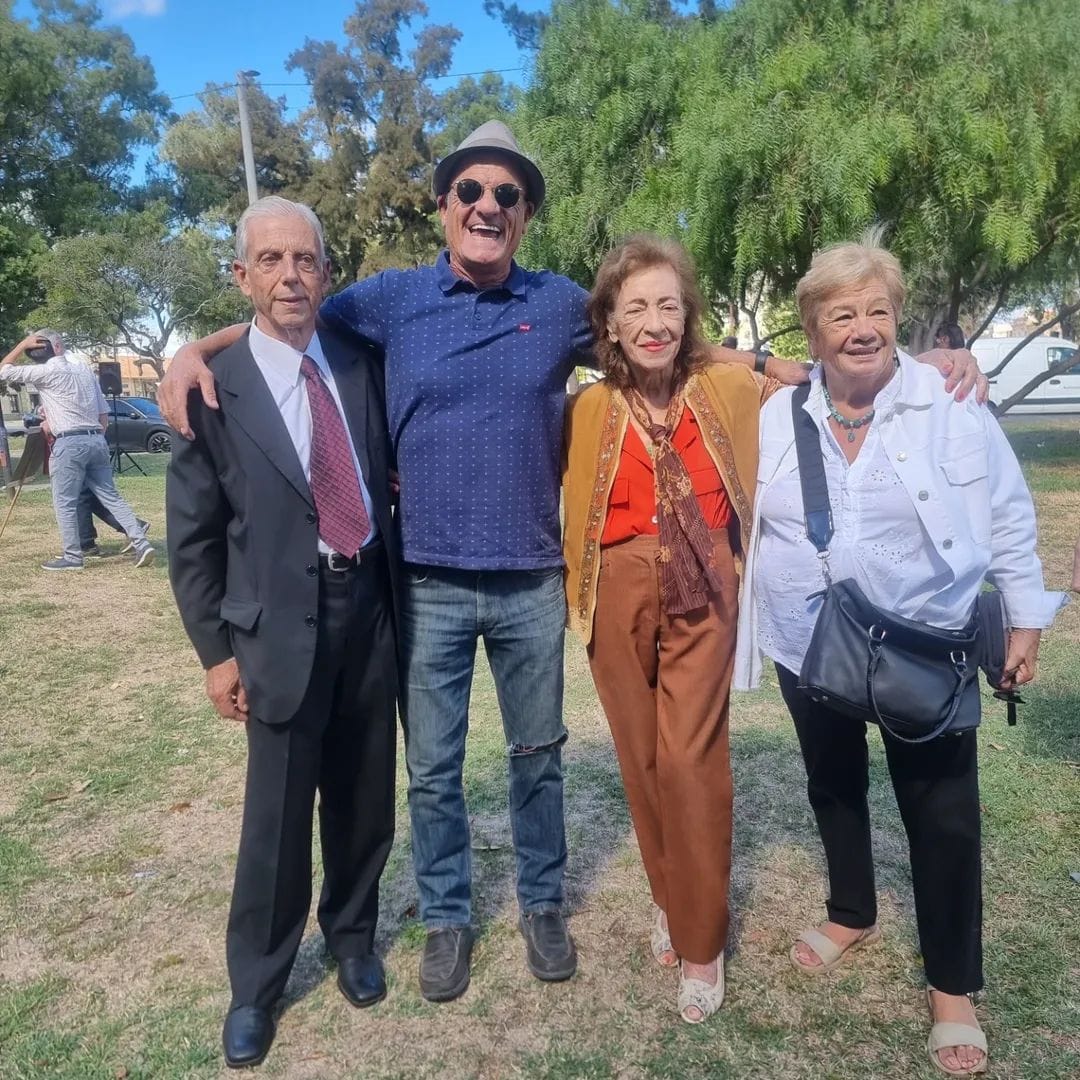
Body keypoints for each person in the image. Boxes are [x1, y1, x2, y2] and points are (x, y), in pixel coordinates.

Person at [158, 121, 984, 1003]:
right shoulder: (390, 300)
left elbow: (663, 336)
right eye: (471, 191)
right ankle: (447, 917)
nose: (487, 205)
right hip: (427, 582)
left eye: (506, 195)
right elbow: (287, 314)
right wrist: (190, 352)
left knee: (536, 755)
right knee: (432, 769)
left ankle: (545, 905)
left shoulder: (555, 303)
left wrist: (823, 360)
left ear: (523, 214)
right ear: (444, 205)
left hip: (530, 579)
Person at [734, 233, 1066, 1076]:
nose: (862, 329)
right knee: (833, 783)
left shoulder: (949, 399)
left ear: (898, 319)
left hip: (924, 640)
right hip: (807, 639)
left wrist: (1024, 620)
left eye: (878, 311)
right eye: (841, 314)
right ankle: (851, 911)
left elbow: (1007, 512)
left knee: (942, 811)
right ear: (812, 332)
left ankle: (952, 987)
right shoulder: (779, 413)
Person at [166, 197, 399, 1069]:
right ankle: (256, 986)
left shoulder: (361, 363)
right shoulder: (211, 389)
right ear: (242, 276)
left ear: (327, 273)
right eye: (270, 260)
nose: (290, 276)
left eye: (304, 259)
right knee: (276, 817)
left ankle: (352, 937)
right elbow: (193, 539)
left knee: (364, 793)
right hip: (273, 633)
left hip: (369, 610)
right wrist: (215, 655)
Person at [563, 235, 770, 1022]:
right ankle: (667, 893)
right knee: (642, 754)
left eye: (669, 306)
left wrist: (948, 362)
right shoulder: (585, 409)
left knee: (690, 758)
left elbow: (838, 378)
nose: (654, 324)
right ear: (610, 324)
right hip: (613, 586)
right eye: (636, 308)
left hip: (705, 583)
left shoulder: (730, 387)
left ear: (689, 317)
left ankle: (702, 938)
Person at [0, 331, 154, 570]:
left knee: (65, 502)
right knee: (111, 496)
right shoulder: (84, 371)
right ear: (57, 347)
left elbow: (4, 370)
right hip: (96, 439)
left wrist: (22, 344)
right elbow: (103, 414)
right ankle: (141, 543)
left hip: (68, 442)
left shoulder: (45, 372)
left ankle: (72, 556)